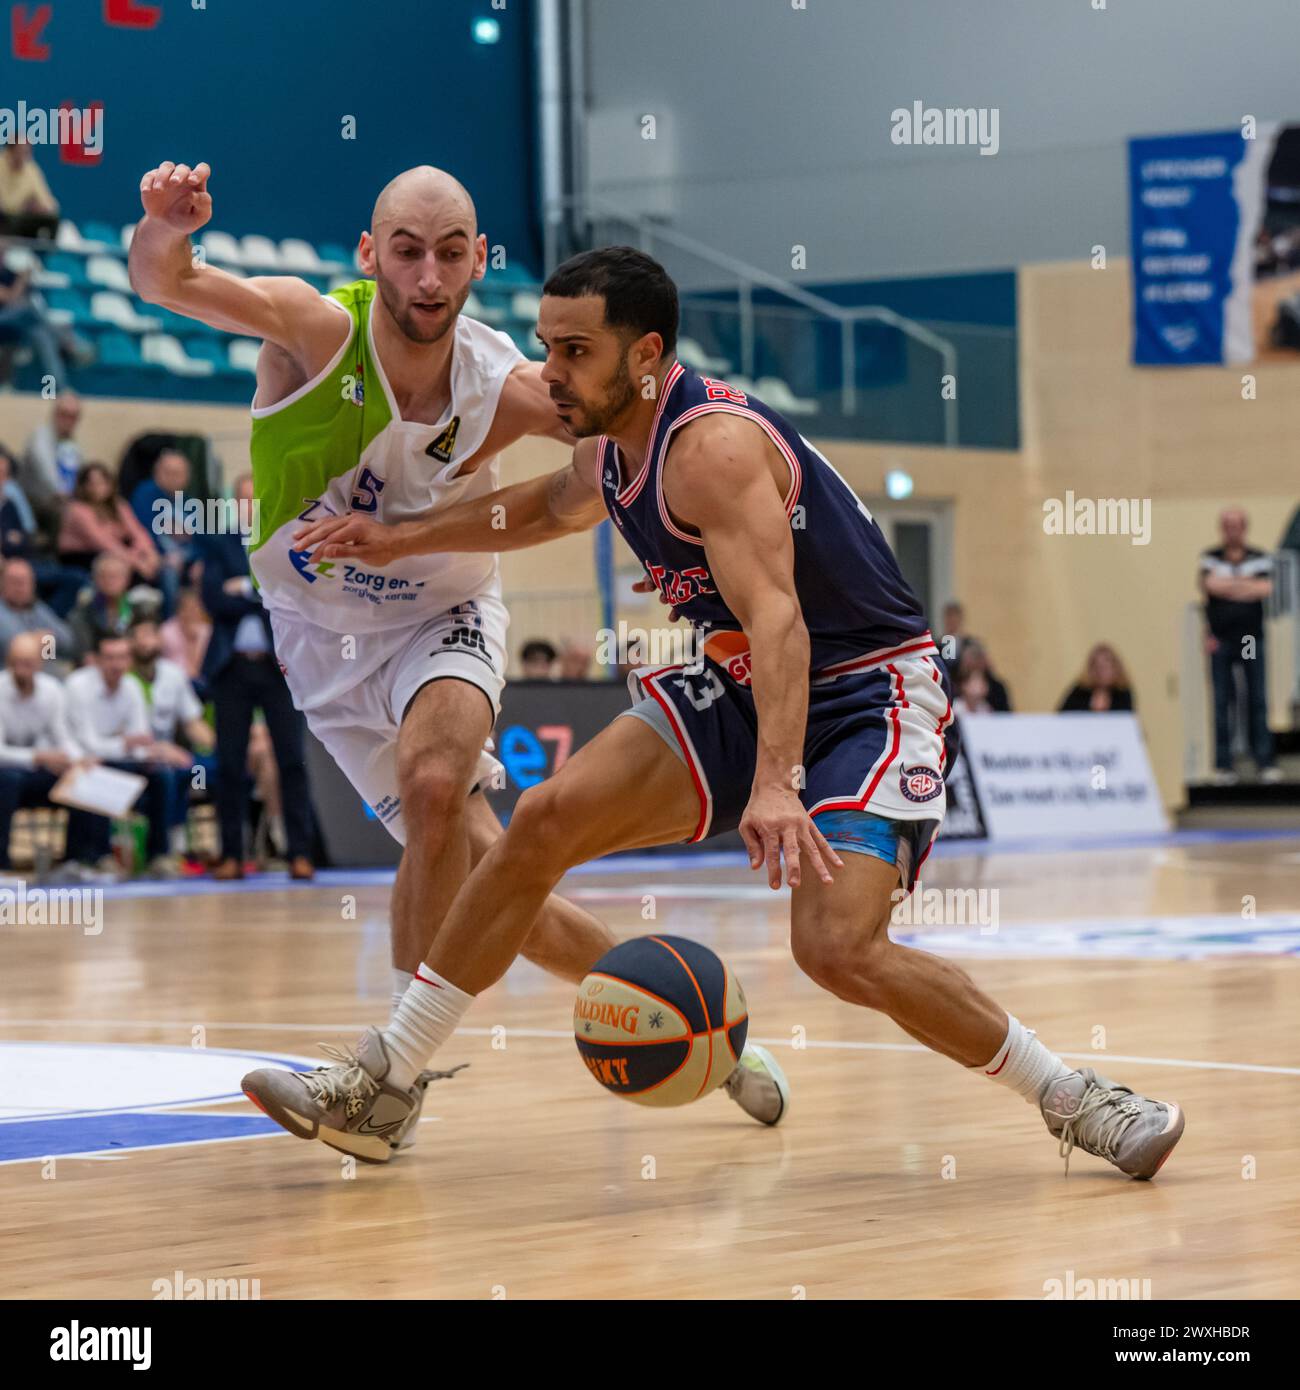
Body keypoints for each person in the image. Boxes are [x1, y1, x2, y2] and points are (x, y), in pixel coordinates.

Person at [253, 246, 1186, 1181]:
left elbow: (781, 619)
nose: (550, 375)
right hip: (743, 683)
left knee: (835, 948)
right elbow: (543, 507)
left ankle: (1076, 1098)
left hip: (865, 689)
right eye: (545, 348)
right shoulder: (610, 446)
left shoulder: (711, 449)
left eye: (575, 352)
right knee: (540, 822)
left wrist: (777, 782)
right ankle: (388, 1080)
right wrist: (402, 535)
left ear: (647, 353)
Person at [128, 160, 717, 1157]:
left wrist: (618, 472)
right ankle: (696, 1017)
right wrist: (162, 227)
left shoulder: (509, 385)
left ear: (481, 261)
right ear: (370, 255)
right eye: (407, 249)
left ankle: (384, 1082)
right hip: (320, 644)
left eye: (452, 252)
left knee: (436, 780)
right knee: (497, 888)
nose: (429, 274)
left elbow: (601, 459)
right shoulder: (316, 330)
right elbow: (167, 284)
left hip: (442, 616)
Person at [194, 474, 315, 881]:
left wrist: (243, 587)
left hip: (276, 666)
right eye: (242, 500)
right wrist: (257, 592)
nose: (249, 506)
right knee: (229, 763)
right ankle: (232, 855)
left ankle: (300, 852)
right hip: (231, 667)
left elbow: (289, 595)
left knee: (291, 760)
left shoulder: (281, 539)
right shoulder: (219, 542)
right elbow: (211, 598)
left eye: (254, 499)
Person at [63, 632, 184, 877]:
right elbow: (88, 744)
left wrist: (147, 750)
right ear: (96, 660)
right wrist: (126, 744)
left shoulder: (132, 687)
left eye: (121, 658)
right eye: (109, 658)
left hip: (122, 761)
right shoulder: (77, 686)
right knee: (98, 773)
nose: (116, 665)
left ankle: (159, 855)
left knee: (162, 775)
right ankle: (100, 856)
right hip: (79, 762)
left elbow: (141, 740)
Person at [0, 632, 99, 872]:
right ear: (8, 661)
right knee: (8, 780)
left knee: (81, 778)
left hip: (34, 771)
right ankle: (2, 862)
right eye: (17, 662)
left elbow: (63, 737)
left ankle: (80, 860)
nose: (22, 669)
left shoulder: (52, 690)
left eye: (28, 663)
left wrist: (78, 760)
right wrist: (39, 757)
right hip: (7, 773)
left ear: (40, 663)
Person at [1199, 508, 1280, 784]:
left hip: (1248, 639)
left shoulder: (1259, 556)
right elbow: (1210, 585)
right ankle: (1224, 764)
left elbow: (1264, 589)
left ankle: (1264, 761)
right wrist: (1244, 584)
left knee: (1256, 697)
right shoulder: (1210, 556)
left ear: (1244, 528)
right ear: (1222, 528)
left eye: (1237, 525)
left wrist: (1230, 585)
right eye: (1227, 525)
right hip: (1220, 639)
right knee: (1222, 701)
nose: (1232, 530)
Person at [128, 617, 214, 857]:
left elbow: (193, 721)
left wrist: (220, 748)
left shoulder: (173, 674)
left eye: (149, 635)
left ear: (160, 640)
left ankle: (238, 847)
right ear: (129, 643)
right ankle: (170, 845)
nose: (144, 643)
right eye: (138, 636)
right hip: (136, 758)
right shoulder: (122, 677)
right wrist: (159, 749)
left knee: (209, 770)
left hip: (173, 754)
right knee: (169, 775)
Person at [58, 462, 162, 584]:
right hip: (84, 556)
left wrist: (148, 552)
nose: (97, 488)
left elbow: (137, 530)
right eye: (92, 484)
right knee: (128, 572)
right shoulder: (77, 509)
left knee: (161, 570)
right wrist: (136, 562)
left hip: (118, 551)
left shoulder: (118, 505)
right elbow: (101, 541)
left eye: (102, 482)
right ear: (83, 486)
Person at [129, 447, 193, 617]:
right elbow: (144, 530)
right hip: (157, 556)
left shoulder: (188, 499)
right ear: (156, 472)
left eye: (177, 473)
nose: (172, 477)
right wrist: (164, 555)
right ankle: (170, 622)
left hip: (185, 555)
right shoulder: (145, 493)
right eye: (167, 472)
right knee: (170, 572)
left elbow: (200, 538)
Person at [67, 552, 156, 657]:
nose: (109, 581)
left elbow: (149, 644)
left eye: (114, 576)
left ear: (127, 579)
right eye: (103, 576)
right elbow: (85, 653)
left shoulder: (140, 610)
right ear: (95, 579)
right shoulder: (83, 613)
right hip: (99, 665)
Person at [21, 393, 84, 539]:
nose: (69, 420)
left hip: (61, 500)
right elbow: (48, 476)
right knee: (72, 513)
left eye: (74, 416)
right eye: (64, 414)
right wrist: (73, 501)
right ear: (55, 414)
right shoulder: (40, 437)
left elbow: (80, 473)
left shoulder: (71, 442)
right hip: (34, 501)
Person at [0, 557, 77, 664]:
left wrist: (44, 641)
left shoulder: (37, 608)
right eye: (15, 581)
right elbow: (9, 643)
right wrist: (42, 641)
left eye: (25, 581)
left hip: (47, 675)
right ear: (2, 583)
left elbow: (68, 641)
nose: (21, 587)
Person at [159, 586, 211, 687]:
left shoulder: (207, 630)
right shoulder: (166, 631)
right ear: (179, 610)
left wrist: (192, 640)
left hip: (200, 682)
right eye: (188, 608)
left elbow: (197, 669)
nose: (192, 612)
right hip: (173, 682)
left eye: (196, 607)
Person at [1058, 644, 1134, 713]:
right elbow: (1063, 717)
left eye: (1106, 667)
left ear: (1116, 668)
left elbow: (1128, 720)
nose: (1101, 672)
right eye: (1097, 667)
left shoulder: (1122, 693)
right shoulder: (1080, 692)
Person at [953, 639, 1012, 712]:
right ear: (963, 686)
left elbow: (1005, 715)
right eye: (973, 657)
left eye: (978, 658)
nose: (976, 662)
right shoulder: (954, 689)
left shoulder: (997, 688)